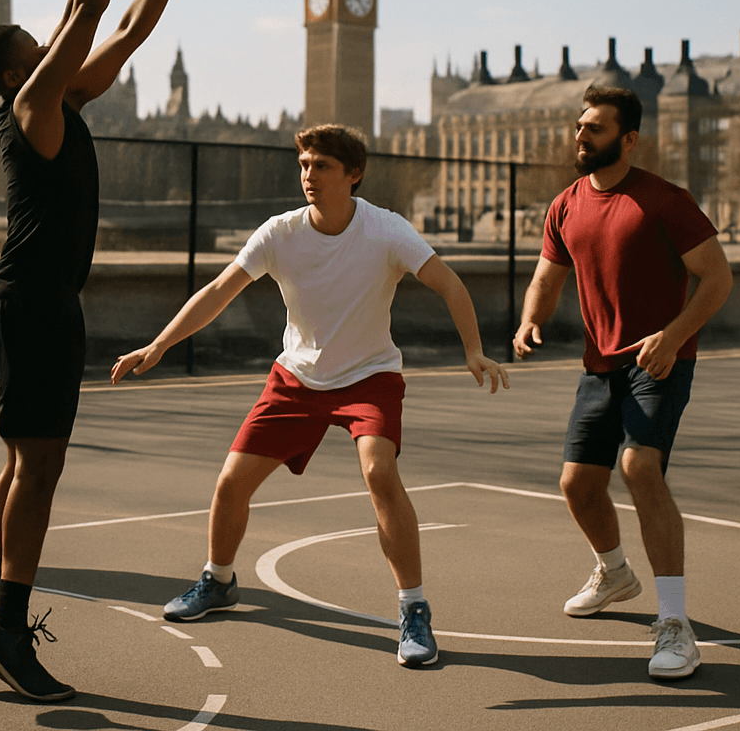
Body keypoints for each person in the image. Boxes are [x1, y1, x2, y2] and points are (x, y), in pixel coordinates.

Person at [0, 0, 214, 703]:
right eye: (36, 43)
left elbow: (123, 28)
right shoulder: (29, 107)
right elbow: (87, 8)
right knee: (42, 466)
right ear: (19, 69)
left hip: (29, 300)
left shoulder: (57, 104)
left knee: (23, 463)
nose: (49, 36)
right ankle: (7, 625)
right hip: (32, 302)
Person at [112, 123, 508, 668]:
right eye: (303, 165)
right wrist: (159, 345)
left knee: (379, 472)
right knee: (231, 482)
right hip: (296, 378)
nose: (308, 176)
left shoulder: (386, 230)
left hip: (369, 375)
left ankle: (414, 610)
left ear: (353, 174)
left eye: (321, 166)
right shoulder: (280, 233)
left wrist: (473, 350)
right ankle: (218, 581)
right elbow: (219, 292)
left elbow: (450, 283)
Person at [513, 85, 732, 680]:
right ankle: (614, 572)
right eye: (580, 126)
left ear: (628, 139)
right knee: (578, 485)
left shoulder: (666, 201)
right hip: (599, 365)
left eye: (596, 128)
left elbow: (717, 278)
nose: (581, 136)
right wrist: (532, 319)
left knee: (640, 468)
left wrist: (672, 335)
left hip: (660, 361)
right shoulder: (565, 205)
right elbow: (546, 277)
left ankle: (676, 625)